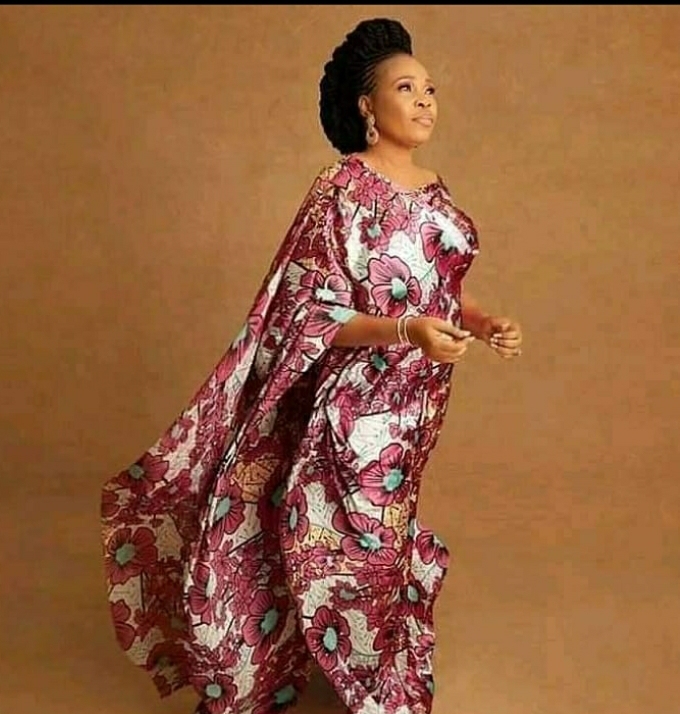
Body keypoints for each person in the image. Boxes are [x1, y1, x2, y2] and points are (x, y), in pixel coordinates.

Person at [100, 16, 523, 714]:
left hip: (419, 405)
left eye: (430, 88)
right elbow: (311, 312)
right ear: (367, 105)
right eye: (406, 88)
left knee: (382, 535)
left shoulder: (436, 189)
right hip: (356, 405)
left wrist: (484, 321)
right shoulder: (342, 189)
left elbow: (443, 286)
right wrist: (407, 331)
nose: (425, 100)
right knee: (353, 538)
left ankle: (367, 667)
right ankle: (359, 685)